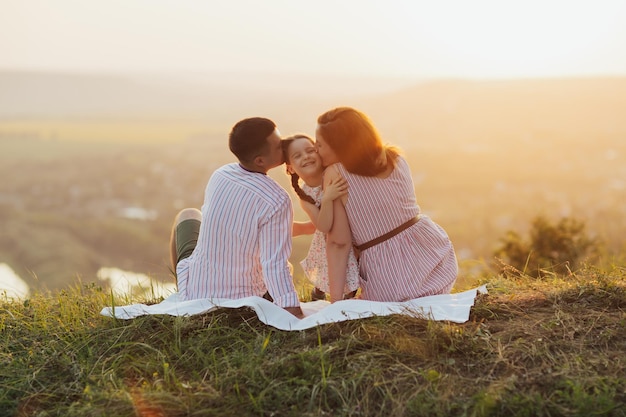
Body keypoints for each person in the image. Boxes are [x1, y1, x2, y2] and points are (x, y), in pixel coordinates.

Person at [315, 107, 458, 303]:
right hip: (434, 256)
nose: (316, 150)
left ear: (339, 146)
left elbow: (338, 242)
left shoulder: (335, 173)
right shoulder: (395, 157)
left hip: (391, 274)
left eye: (320, 145)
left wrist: (336, 302)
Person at [169, 117, 303, 318]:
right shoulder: (277, 199)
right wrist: (293, 311)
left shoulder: (221, 174)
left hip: (196, 292)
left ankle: (183, 289)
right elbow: (274, 262)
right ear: (260, 161)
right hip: (242, 300)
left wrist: (312, 227)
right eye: (278, 145)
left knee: (188, 215)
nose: (284, 145)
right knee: (286, 267)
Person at [282, 134, 360, 300]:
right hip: (327, 236)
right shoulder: (304, 195)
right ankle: (321, 292)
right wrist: (327, 198)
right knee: (325, 260)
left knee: (346, 263)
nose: (306, 157)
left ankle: (343, 293)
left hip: (352, 230)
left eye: (310, 151)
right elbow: (323, 226)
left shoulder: (333, 173)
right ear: (290, 168)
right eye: (297, 156)